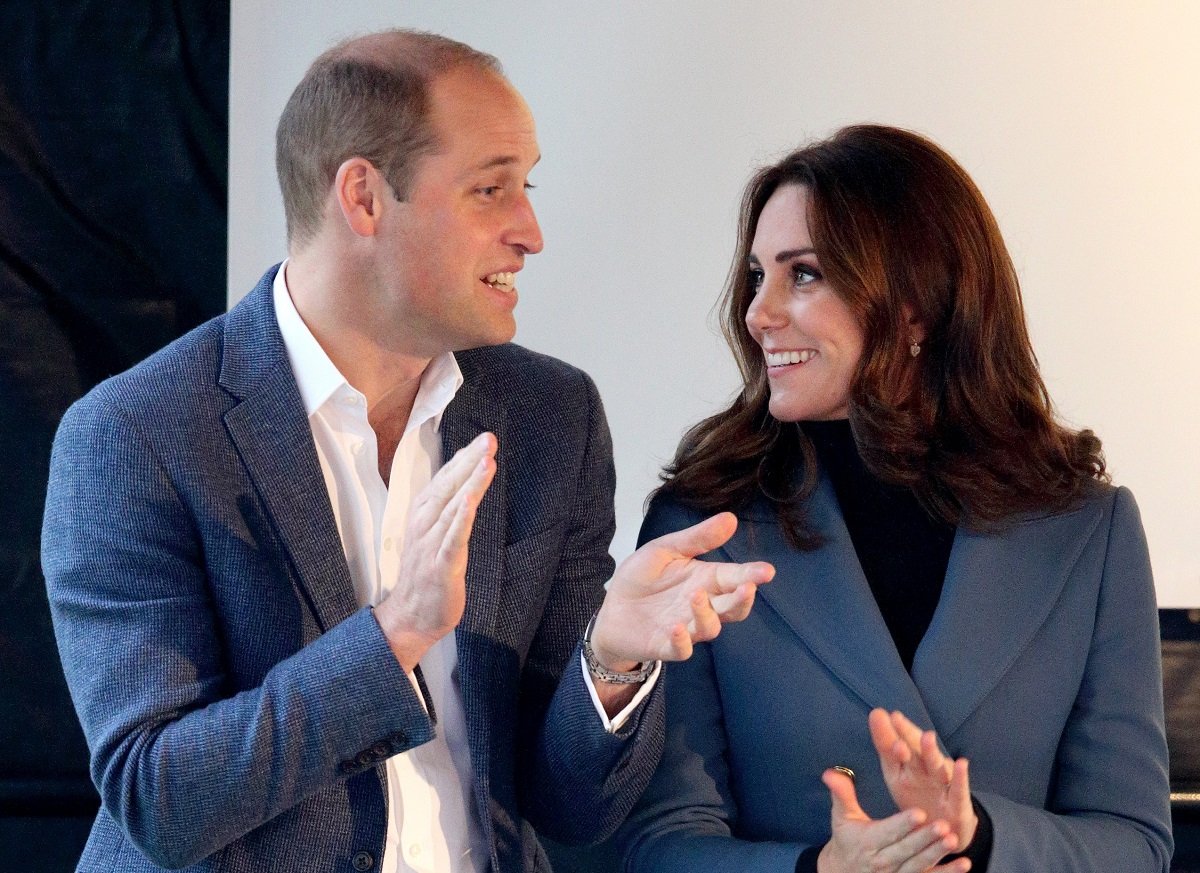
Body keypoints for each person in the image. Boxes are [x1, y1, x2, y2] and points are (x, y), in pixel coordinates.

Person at [40, 30, 774, 873]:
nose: (529, 230)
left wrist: (611, 658)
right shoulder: (137, 433)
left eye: (525, 186)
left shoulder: (550, 415)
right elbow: (158, 797)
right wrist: (397, 633)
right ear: (362, 198)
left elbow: (571, 808)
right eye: (490, 189)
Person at [617, 124, 1172, 872]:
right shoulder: (703, 523)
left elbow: (1135, 844)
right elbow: (660, 845)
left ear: (915, 305)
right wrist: (820, 870)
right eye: (757, 276)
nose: (758, 313)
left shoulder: (1086, 529)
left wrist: (977, 834)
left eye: (802, 274)